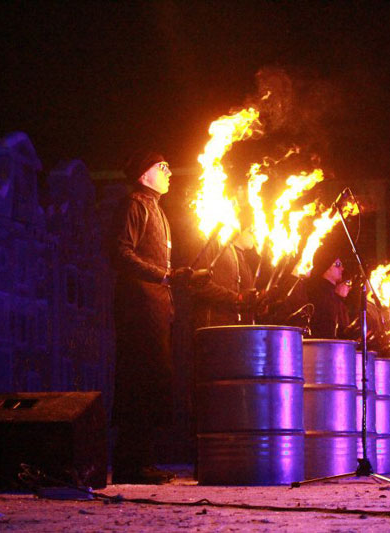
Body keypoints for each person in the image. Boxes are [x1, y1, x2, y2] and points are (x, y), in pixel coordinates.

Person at [109, 150, 192, 484]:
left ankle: (143, 461)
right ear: (144, 175)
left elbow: (163, 269)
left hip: (156, 308)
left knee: (154, 382)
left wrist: (182, 275)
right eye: (163, 166)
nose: (170, 171)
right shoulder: (135, 205)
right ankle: (131, 465)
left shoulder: (156, 209)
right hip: (138, 309)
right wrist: (164, 276)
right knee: (139, 382)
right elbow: (120, 252)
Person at [190, 227, 260, 327]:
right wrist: (237, 297)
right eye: (250, 231)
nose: (254, 235)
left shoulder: (232, 252)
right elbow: (199, 284)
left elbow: (240, 297)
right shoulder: (211, 243)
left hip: (230, 325)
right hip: (211, 326)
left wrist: (256, 302)